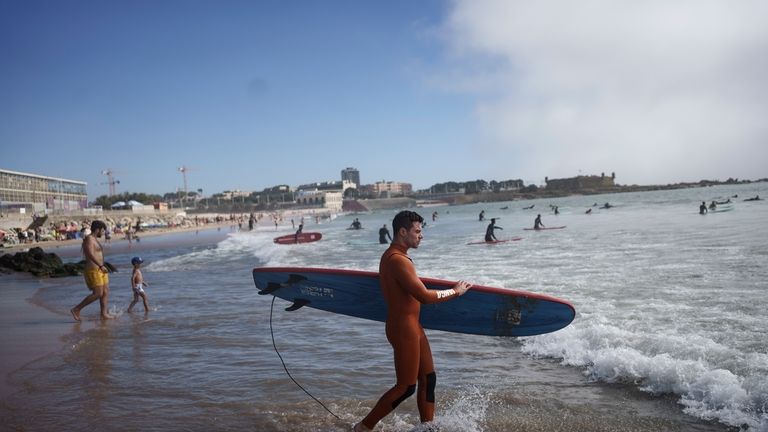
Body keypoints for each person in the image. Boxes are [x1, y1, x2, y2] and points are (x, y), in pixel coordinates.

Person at [354, 211, 472, 432]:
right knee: (406, 386)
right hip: (403, 329)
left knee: (429, 379)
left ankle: (428, 427)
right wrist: (455, 292)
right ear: (402, 232)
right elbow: (425, 297)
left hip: (413, 326)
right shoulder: (397, 260)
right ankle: (363, 427)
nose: (421, 236)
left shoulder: (398, 257)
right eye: (417, 231)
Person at [70, 220, 113, 321]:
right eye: (102, 231)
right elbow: (89, 253)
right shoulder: (89, 239)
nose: (103, 233)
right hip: (93, 269)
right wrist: (100, 265)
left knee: (105, 291)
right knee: (98, 293)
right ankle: (76, 309)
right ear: (97, 229)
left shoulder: (94, 239)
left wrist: (102, 266)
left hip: (100, 269)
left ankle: (103, 314)